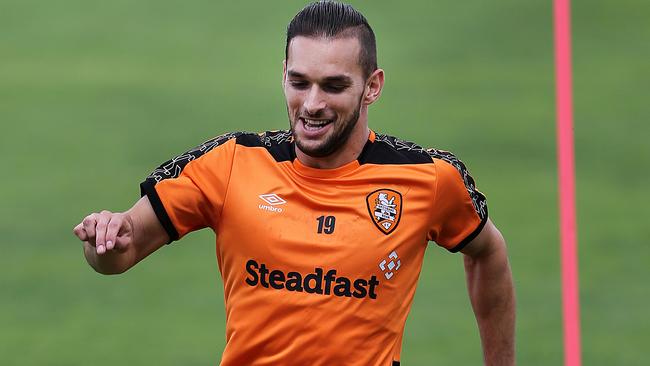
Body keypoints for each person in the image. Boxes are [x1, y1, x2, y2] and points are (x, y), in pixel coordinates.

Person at [73, 1, 515, 365]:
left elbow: (487, 252)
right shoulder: (230, 163)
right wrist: (105, 238)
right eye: (299, 82)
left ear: (372, 87)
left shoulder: (427, 178)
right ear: (282, 72)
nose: (313, 104)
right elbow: (121, 252)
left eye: (334, 86)